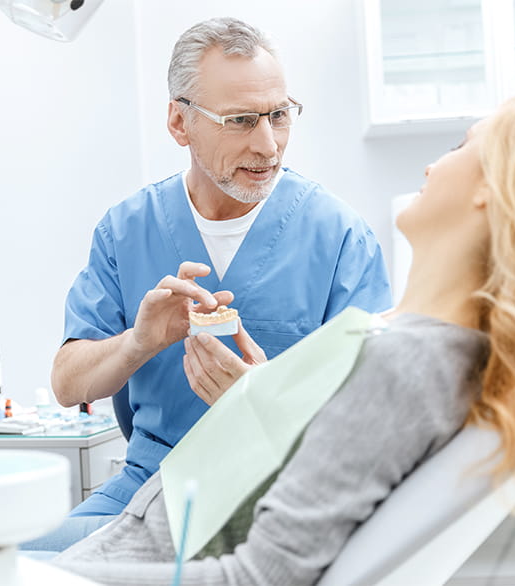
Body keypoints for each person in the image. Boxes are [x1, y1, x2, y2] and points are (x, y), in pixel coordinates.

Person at [45, 94, 515, 584]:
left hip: (148, 551)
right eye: (240, 118)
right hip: (149, 528)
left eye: (462, 147)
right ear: (181, 122)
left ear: (494, 188)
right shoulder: (425, 350)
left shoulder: (405, 363)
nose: (435, 163)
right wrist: (261, 399)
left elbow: (261, 575)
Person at [32, 17, 392, 549]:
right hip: (146, 488)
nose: (268, 145)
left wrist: (265, 401)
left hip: (278, 493)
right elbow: (68, 384)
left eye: (279, 115)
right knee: (3, 558)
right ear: (179, 123)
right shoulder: (126, 230)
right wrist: (140, 342)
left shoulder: (338, 238)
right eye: (242, 120)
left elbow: (377, 419)